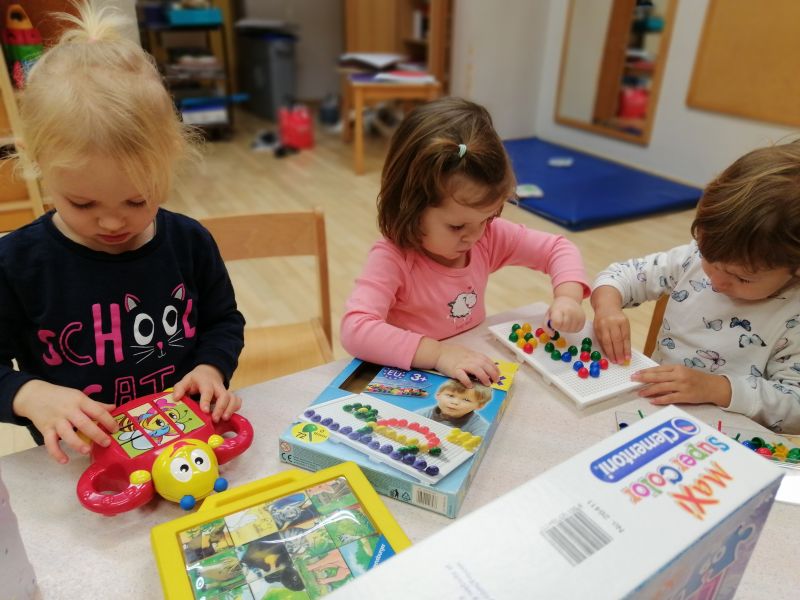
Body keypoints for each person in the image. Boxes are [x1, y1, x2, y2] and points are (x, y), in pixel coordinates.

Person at [0, 2, 245, 463]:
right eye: (83, 203)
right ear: (34, 161)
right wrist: (28, 394)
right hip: (81, 461)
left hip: (182, 443)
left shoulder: (189, 243)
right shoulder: (16, 263)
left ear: (171, 158)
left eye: (137, 200)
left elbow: (222, 321)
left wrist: (211, 367)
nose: (113, 223)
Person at [340, 97, 590, 387]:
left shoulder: (487, 235)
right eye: (457, 226)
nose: (475, 236)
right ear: (409, 207)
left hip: (469, 369)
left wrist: (568, 297)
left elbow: (558, 249)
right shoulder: (393, 258)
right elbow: (355, 329)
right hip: (411, 379)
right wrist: (438, 354)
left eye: (486, 218)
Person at [591, 141, 800, 434]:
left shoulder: (794, 314)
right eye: (708, 259)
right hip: (655, 415)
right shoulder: (691, 257)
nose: (716, 282)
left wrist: (717, 388)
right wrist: (607, 307)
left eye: (742, 278)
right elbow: (620, 275)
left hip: (728, 441)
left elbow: (794, 407)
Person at [417, 379, 492, 438]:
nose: (455, 402)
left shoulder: (479, 426)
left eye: (466, 400)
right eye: (450, 396)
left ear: (480, 405)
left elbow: (482, 445)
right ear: (438, 395)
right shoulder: (424, 413)